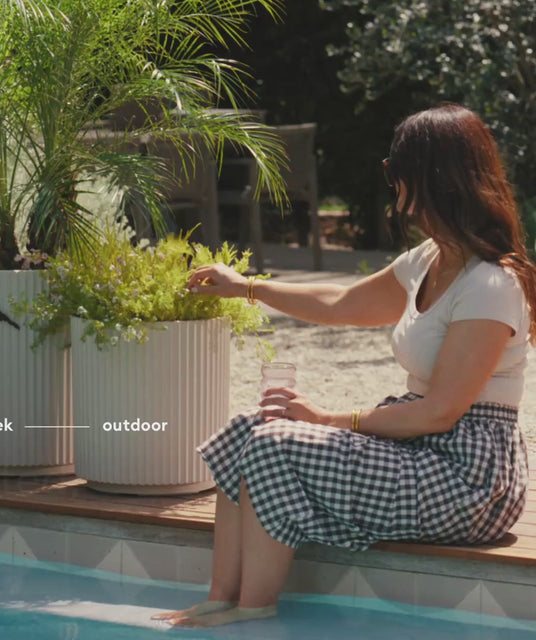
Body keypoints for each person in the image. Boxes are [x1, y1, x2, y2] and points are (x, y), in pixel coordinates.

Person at [151, 103, 535, 628]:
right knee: (249, 428)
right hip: (421, 448)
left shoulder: (489, 284)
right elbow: (341, 303)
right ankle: (221, 598)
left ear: (428, 177)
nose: (390, 179)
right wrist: (245, 287)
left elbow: (440, 413)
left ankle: (254, 611)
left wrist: (329, 419)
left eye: (394, 168)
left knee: (275, 444)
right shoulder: (429, 259)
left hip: (468, 479)